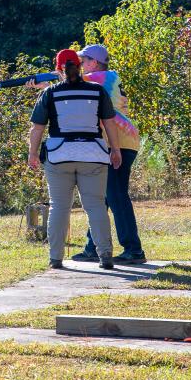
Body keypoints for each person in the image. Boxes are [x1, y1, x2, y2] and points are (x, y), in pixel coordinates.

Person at [28, 55, 122, 270]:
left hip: (59, 155)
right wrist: (115, 150)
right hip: (93, 154)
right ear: (80, 67)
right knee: (96, 205)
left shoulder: (49, 93)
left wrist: (33, 153)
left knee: (59, 207)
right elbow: (109, 123)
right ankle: (105, 255)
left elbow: (37, 128)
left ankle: (56, 258)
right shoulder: (98, 91)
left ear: (58, 69)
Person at [72, 44, 146, 264]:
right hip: (118, 140)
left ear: (94, 63)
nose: (80, 66)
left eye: (83, 61)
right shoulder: (103, 79)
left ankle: (133, 249)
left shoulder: (101, 77)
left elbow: (69, 85)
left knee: (116, 195)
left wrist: (46, 85)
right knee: (101, 197)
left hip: (118, 142)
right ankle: (93, 247)